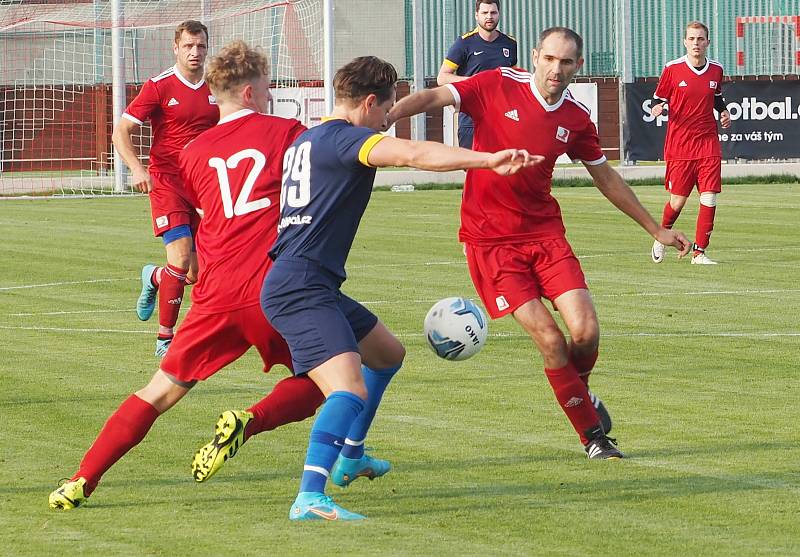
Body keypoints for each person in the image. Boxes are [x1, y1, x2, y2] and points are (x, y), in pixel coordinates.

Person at [388, 27, 692, 460]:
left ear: (578, 67)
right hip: (490, 242)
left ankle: (579, 398)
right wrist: (392, 114)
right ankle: (593, 437)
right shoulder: (496, 83)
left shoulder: (576, 118)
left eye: (566, 62)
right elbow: (436, 95)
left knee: (585, 332)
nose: (556, 68)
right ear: (535, 57)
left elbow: (605, 176)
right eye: (549, 58)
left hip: (545, 235)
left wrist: (654, 228)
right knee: (551, 340)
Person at [48, 41, 326, 510]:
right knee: (332, 380)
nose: (271, 92)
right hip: (272, 292)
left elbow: (203, 210)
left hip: (214, 295)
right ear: (253, 92)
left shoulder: (194, 152)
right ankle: (250, 422)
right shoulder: (288, 132)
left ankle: (79, 480)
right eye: (267, 85)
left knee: (156, 393)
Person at [260, 55, 539, 521]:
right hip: (301, 285)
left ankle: (351, 457)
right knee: (348, 391)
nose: (388, 122)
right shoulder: (350, 140)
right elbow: (415, 155)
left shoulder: (307, 139)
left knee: (387, 354)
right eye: (387, 112)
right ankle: (310, 496)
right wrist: (487, 159)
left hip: (308, 280)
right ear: (370, 103)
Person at [112, 20, 218, 356]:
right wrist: (138, 169)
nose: (195, 52)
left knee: (197, 275)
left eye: (200, 46)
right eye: (188, 46)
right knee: (181, 254)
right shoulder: (159, 86)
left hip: (203, 186)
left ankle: (155, 277)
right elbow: (120, 132)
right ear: (176, 48)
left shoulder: (217, 86)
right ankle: (165, 339)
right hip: (166, 181)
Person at [650, 21, 731, 265]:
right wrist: (658, 106)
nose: (696, 43)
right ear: (685, 42)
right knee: (678, 201)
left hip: (708, 142)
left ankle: (699, 253)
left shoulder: (716, 70)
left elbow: (717, 98)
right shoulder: (673, 69)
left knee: (709, 197)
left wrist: (724, 112)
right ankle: (660, 236)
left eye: (700, 39)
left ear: (708, 42)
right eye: (692, 39)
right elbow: (657, 97)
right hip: (680, 145)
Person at [437, 1, 517, 148]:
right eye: (484, 13)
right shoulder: (464, 43)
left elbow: (512, 78)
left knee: (502, 167)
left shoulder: (510, 43)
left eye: (493, 13)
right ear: (476, 15)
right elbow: (442, 77)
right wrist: (476, 82)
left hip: (502, 119)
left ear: (499, 14)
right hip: (471, 121)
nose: (489, 17)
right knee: (472, 168)